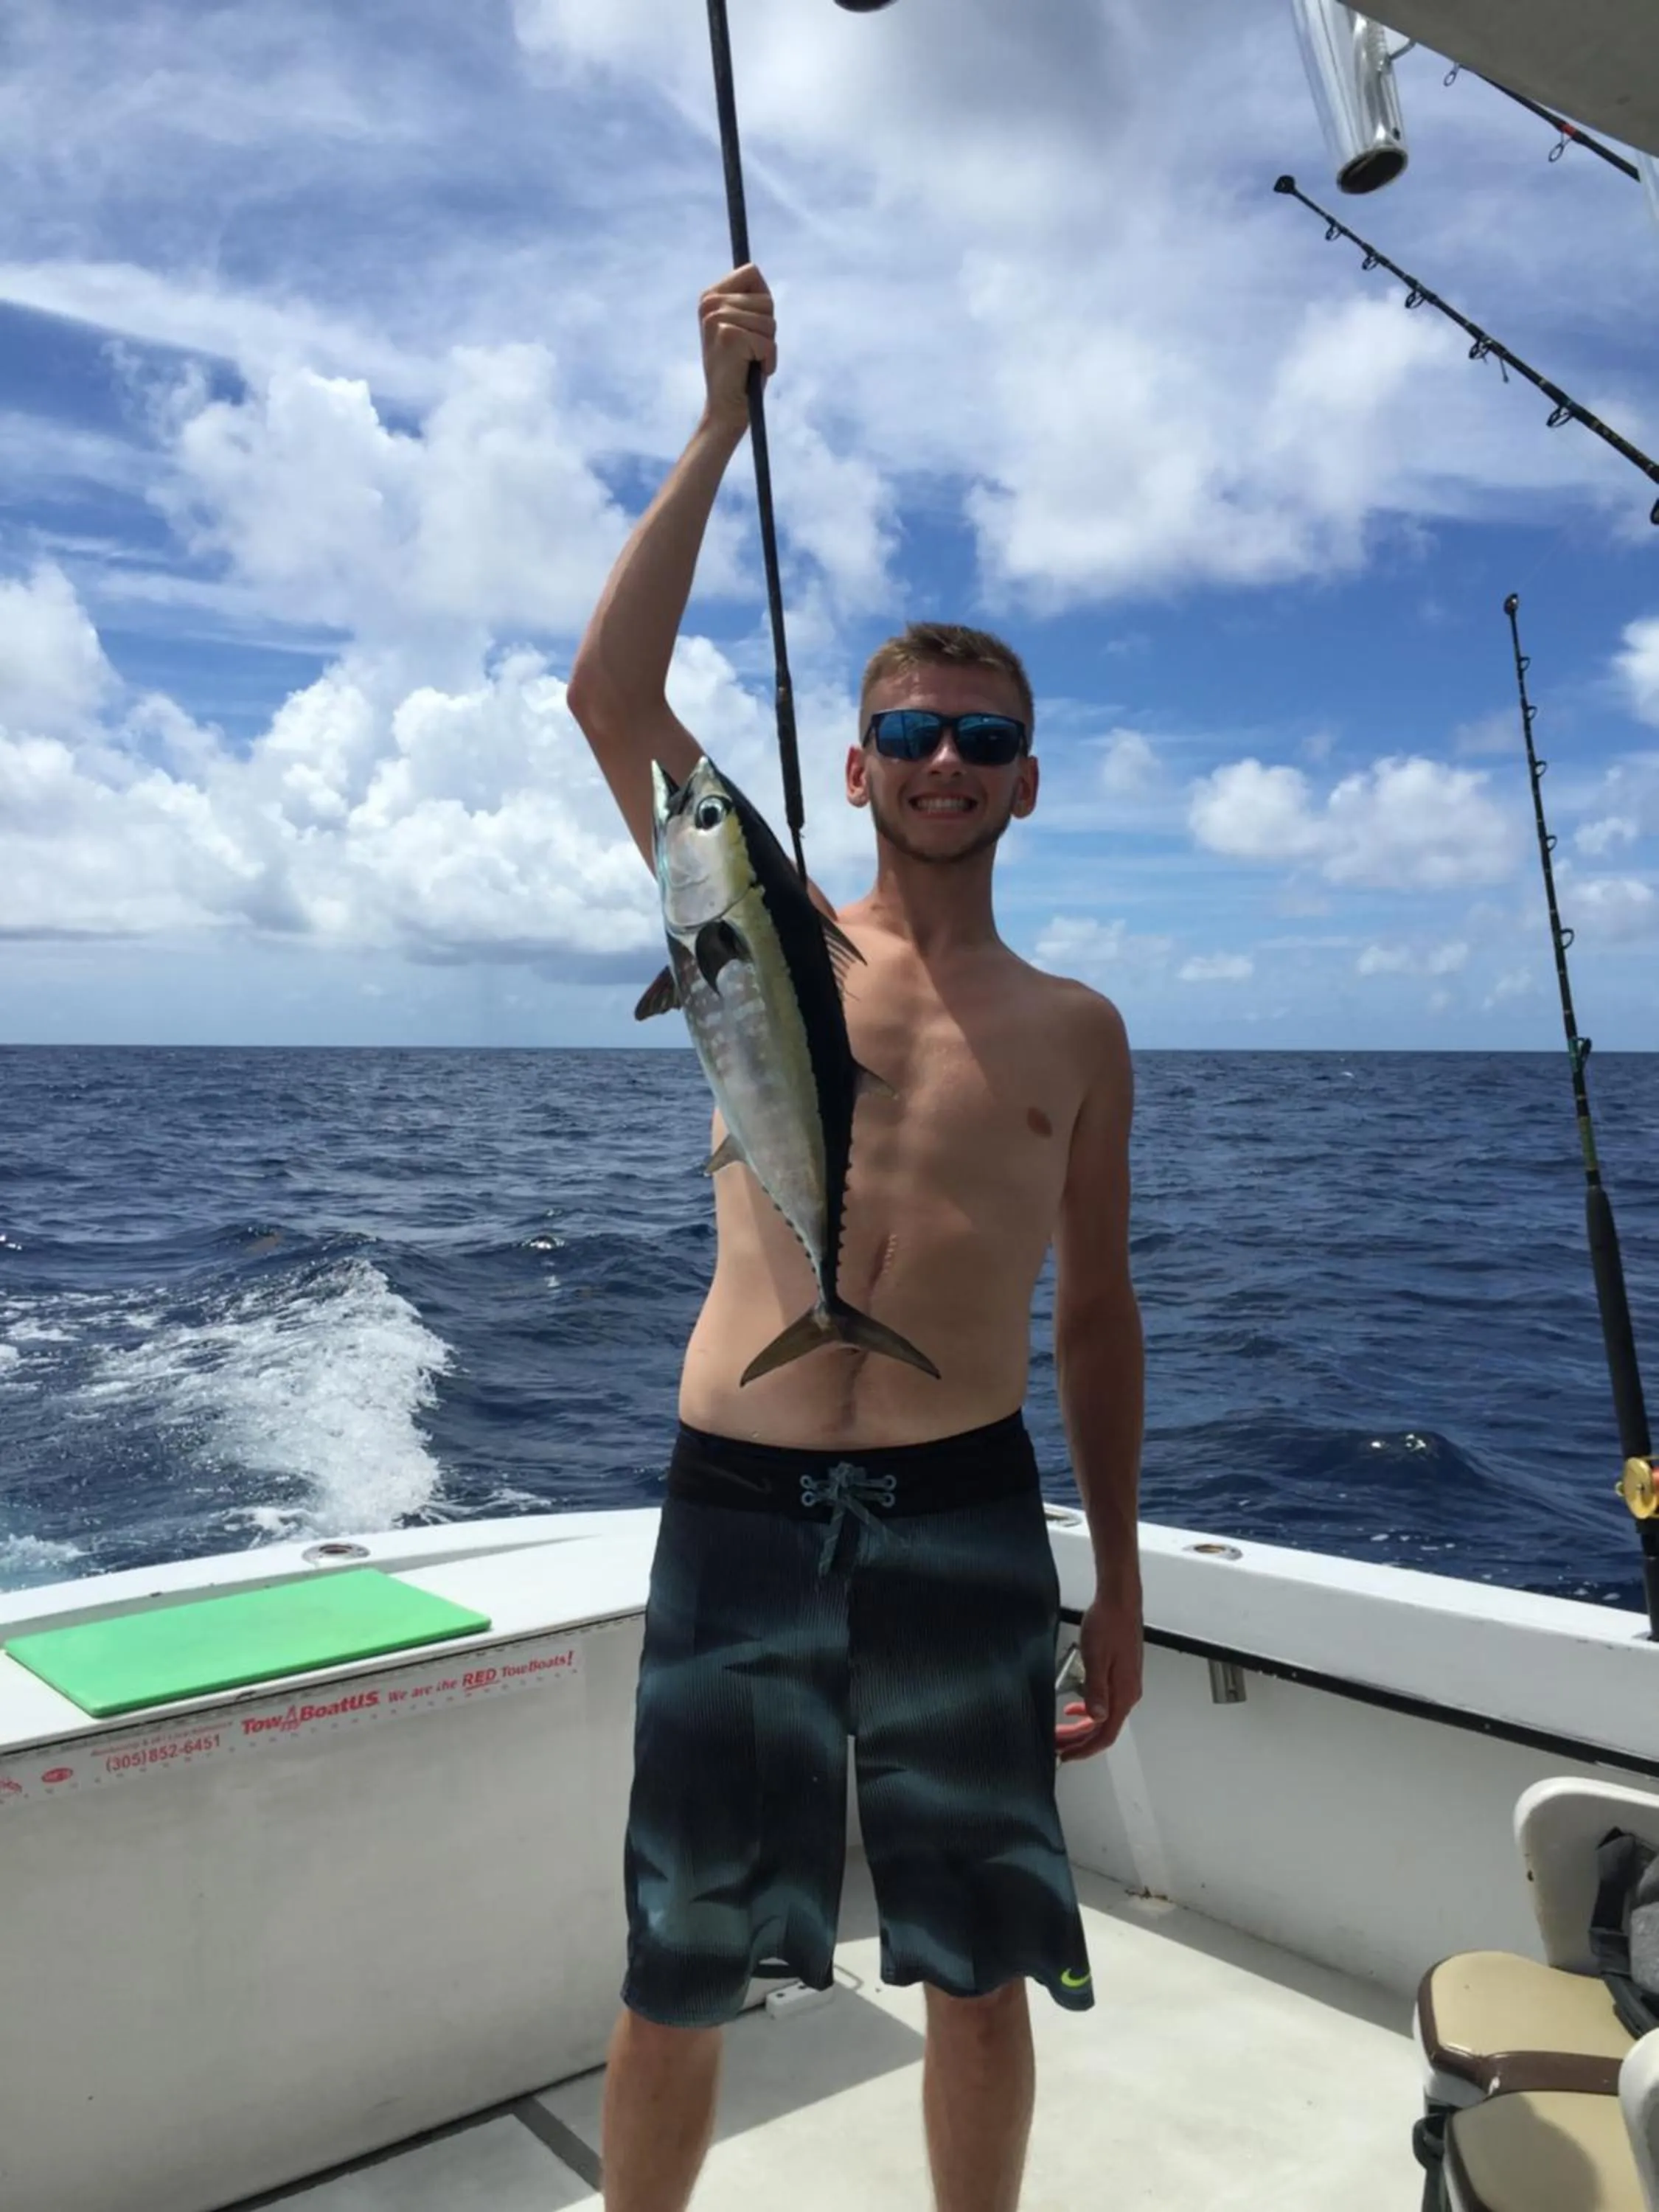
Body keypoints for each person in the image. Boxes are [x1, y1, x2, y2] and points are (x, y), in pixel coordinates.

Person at [566, 262, 1145, 2212]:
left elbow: (1101, 1321)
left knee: (980, 1977)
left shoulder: (1079, 1031)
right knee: (681, 1972)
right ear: (859, 764)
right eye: (913, 731)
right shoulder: (761, 930)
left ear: (1029, 779)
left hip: (969, 1518)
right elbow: (611, 693)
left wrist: (1121, 1577)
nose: (947, 763)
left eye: (984, 738)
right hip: (739, 1503)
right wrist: (723, 426)